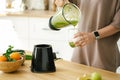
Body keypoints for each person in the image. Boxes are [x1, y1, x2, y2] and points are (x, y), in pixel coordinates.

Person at [55, 0, 120, 72]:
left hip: (102, 54)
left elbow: (117, 25)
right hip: (80, 49)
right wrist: (60, 3)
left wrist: (93, 35)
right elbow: (67, 5)